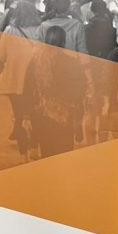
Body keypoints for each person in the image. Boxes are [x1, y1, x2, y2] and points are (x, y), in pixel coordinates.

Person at [23, 27, 84, 158]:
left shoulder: (35, 62)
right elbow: (79, 91)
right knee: (64, 154)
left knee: (46, 152)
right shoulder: (72, 62)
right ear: (64, 42)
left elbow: (27, 89)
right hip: (64, 116)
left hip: (41, 115)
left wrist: (27, 115)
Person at [0, 0, 42, 159]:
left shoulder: (10, 31)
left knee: (19, 116)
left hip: (14, 82)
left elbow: (0, 56)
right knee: (35, 114)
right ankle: (35, 146)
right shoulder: (40, 30)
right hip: (35, 82)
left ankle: (23, 153)